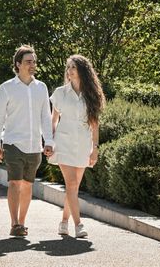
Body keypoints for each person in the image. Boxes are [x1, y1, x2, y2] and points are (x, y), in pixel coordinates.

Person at [0, 45, 54, 237]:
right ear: (18, 64)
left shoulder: (41, 87)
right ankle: (14, 223)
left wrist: (49, 141)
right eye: (28, 61)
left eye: (34, 61)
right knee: (14, 183)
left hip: (35, 145)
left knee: (27, 185)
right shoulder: (6, 88)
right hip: (13, 143)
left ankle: (22, 222)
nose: (32, 65)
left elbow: (46, 116)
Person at [48, 54, 104, 238]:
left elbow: (94, 125)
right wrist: (50, 140)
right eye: (68, 67)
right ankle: (78, 225)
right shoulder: (60, 93)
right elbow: (53, 119)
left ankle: (63, 222)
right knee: (71, 183)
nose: (70, 71)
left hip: (82, 144)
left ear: (82, 71)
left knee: (73, 188)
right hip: (63, 143)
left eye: (73, 67)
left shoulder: (91, 95)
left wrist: (94, 149)